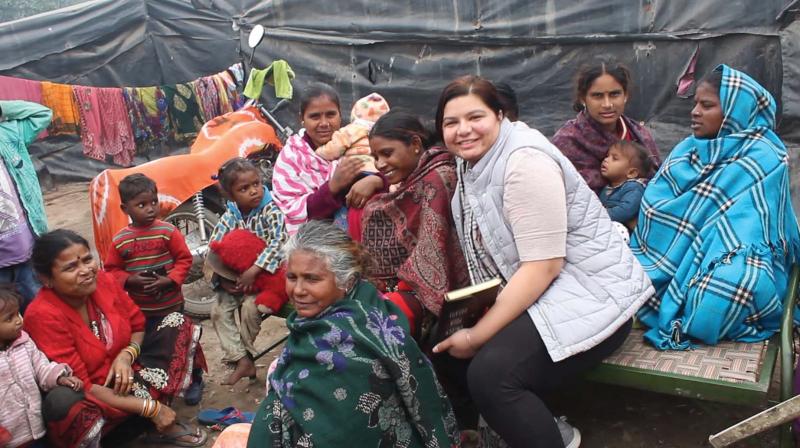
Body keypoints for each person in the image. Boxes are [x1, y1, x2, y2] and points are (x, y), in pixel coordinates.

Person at [431, 76, 653, 448]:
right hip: (550, 291)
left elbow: (543, 267)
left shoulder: (524, 163)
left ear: (500, 115)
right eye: (451, 123)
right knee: (443, 351)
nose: (463, 130)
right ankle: (511, 431)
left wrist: (477, 335)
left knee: (492, 376)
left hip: (594, 298)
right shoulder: (473, 163)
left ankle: (548, 436)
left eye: (475, 117)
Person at [246, 220, 460, 448]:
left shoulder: (358, 335)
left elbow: (346, 428)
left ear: (345, 281)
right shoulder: (325, 320)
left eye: (312, 279)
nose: (298, 290)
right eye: (292, 277)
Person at [632, 65, 800, 350]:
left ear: (736, 110)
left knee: (733, 285)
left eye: (707, 105)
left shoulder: (766, 156)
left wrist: (709, 245)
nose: (694, 111)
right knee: (622, 273)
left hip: (735, 248)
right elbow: (656, 206)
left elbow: (753, 223)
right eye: (695, 103)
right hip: (670, 254)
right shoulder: (688, 149)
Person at [23, 229, 207, 448]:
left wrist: (126, 355)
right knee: (63, 401)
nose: (85, 271)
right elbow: (83, 384)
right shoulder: (42, 314)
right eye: (71, 267)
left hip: (129, 372)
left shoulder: (102, 280)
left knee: (175, 322)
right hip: (93, 393)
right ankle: (133, 425)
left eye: (87, 260)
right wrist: (151, 409)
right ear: (47, 279)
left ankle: (152, 425)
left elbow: (137, 325)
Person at [350, 110, 469, 338]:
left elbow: (433, 253)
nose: (380, 164)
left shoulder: (437, 181)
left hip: (434, 297)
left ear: (415, 144)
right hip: (408, 290)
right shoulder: (420, 177)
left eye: (386, 153)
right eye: (375, 157)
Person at [104, 173, 206, 405]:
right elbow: (111, 271)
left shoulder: (167, 231)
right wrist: (130, 280)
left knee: (186, 340)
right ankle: (164, 382)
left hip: (171, 303)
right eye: (141, 205)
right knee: (156, 345)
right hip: (142, 309)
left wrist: (169, 280)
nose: (150, 209)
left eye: (153, 202)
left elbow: (184, 260)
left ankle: (195, 379)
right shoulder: (120, 241)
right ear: (125, 208)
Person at [208, 157, 287, 385]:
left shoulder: (271, 209)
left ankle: (247, 356)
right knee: (218, 311)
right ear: (231, 196)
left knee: (250, 311)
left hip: (266, 276)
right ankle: (240, 358)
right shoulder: (231, 213)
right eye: (244, 189)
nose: (254, 191)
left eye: (256, 183)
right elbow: (216, 243)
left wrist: (255, 269)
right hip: (237, 277)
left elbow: (279, 242)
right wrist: (223, 280)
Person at [271, 82, 386, 234]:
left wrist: (376, 180)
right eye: (315, 116)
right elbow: (291, 211)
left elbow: (394, 173)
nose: (324, 123)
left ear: (340, 115)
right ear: (302, 119)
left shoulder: (359, 142)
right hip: (316, 241)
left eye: (331, 114)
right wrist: (333, 187)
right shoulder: (292, 157)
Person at [552, 60, 660, 193]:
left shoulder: (640, 135)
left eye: (614, 94)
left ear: (625, 95)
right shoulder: (567, 141)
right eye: (597, 96)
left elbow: (658, 181)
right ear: (583, 99)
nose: (607, 104)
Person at [0, 287, 84, 448]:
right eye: (9, 318)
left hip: (36, 429)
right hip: (7, 438)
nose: (19, 320)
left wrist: (59, 378)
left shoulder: (24, 343)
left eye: (18, 313)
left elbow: (41, 366)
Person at [0, 100, 52, 312]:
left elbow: (42, 114)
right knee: (6, 315)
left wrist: (3, 107)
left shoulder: (8, 133)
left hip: (26, 245)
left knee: (39, 306)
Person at [314, 92, 390, 173]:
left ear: (355, 113)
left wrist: (319, 152)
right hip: (379, 169)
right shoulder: (386, 133)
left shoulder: (350, 130)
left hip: (356, 168)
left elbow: (334, 149)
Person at [598, 140, 652, 230]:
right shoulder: (608, 187)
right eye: (607, 156)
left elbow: (626, 210)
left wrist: (600, 215)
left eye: (614, 158)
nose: (606, 160)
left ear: (631, 173)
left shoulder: (634, 187)